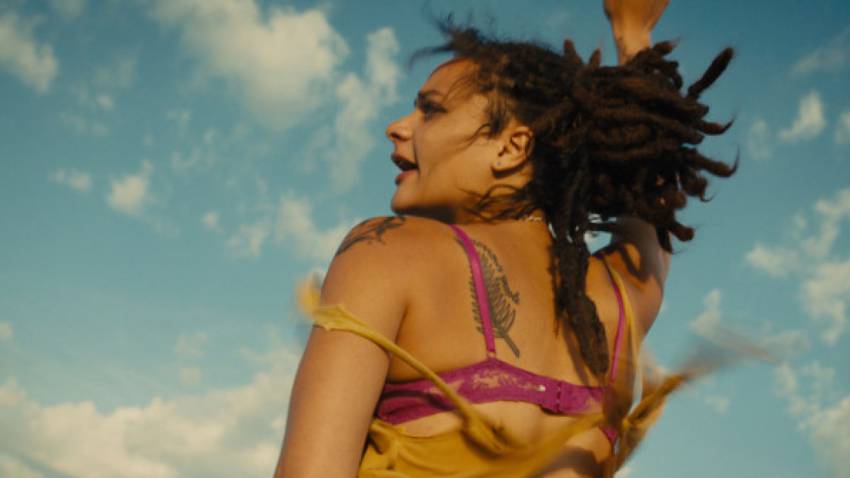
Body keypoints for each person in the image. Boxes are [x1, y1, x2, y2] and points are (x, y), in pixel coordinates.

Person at [275, 0, 736, 476]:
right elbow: (653, 190)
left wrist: (629, 31)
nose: (397, 127)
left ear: (512, 147)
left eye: (431, 111)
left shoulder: (387, 251)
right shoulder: (623, 301)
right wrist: (634, 33)